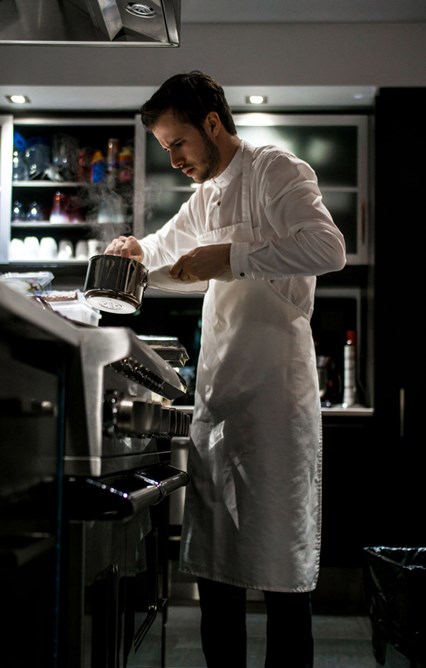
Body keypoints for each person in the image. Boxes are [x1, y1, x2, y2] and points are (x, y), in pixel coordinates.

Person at [105, 70, 346, 668]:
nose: (175, 159)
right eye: (166, 149)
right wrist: (135, 253)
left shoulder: (278, 172)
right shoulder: (205, 197)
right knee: (216, 576)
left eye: (178, 143)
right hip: (219, 404)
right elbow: (163, 253)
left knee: (282, 576)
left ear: (212, 124)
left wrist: (230, 257)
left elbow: (327, 248)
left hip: (273, 405)